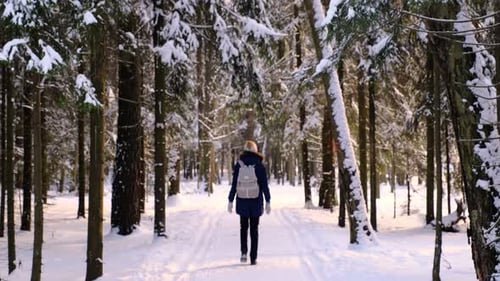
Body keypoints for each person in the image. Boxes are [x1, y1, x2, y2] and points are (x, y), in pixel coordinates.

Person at [228, 140, 271, 265]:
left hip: (242, 201)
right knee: (254, 229)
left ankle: (243, 252)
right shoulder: (259, 165)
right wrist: (268, 200)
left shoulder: (239, 165)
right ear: (255, 150)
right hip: (256, 201)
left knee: (243, 227)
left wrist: (230, 200)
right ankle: (253, 257)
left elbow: (235, 184)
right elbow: (264, 186)